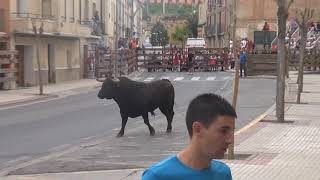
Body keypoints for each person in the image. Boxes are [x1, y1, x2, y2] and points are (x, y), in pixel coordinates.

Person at [142, 93, 237, 180]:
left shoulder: (223, 173)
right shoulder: (156, 176)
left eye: (232, 131)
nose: (230, 140)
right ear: (197, 129)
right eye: (223, 131)